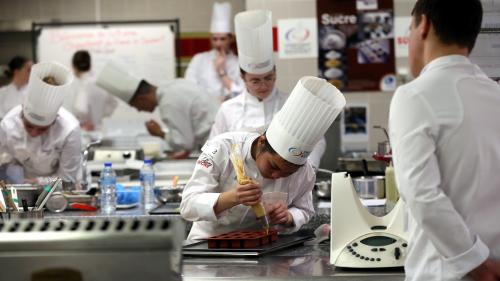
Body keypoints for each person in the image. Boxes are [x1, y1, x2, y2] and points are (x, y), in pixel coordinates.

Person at [388, 0, 500, 280]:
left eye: (409, 29)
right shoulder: (494, 94)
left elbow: (421, 193)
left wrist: (478, 265)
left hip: (448, 271)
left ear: (423, 25)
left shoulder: (413, 96)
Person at [181, 76, 345, 240]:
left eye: (287, 174)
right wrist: (232, 197)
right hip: (208, 247)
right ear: (261, 142)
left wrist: (289, 217)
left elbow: (305, 209)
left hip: (264, 247)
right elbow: (188, 205)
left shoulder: (304, 170)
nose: (276, 176)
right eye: (273, 166)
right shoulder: (223, 148)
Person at [209, 10, 327, 170]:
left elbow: (317, 140)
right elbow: (214, 147)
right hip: (241, 184)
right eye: (255, 81)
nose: (263, 86)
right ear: (243, 78)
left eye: (268, 78)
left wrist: (309, 166)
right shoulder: (228, 109)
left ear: (275, 74)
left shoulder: (292, 103)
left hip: (288, 183)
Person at [96, 62, 218, 159]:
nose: (138, 110)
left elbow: (185, 143)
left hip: (218, 148)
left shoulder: (168, 102)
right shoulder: (172, 87)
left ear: (141, 99)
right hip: (217, 145)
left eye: (135, 106)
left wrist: (160, 133)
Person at [0, 62, 82, 185]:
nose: (34, 133)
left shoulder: (69, 129)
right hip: (23, 188)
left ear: (55, 121)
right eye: (28, 126)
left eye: (42, 129)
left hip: (59, 191)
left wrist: (39, 182)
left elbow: (67, 179)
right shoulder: (8, 125)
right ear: (22, 115)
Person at [184, 2, 243, 102]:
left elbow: (241, 93)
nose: (218, 44)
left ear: (231, 39)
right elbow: (189, 87)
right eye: (215, 39)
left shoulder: (238, 63)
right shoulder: (199, 59)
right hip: (203, 110)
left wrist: (222, 72)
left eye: (222, 39)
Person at [65, 50, 117, 131]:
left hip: (81, 131)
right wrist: (98, 116)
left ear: (74, 66)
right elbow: (114, 103)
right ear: (90, 65)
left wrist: (82, 122)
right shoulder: (101, 82)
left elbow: (80, 110)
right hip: (99, 130)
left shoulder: (75, 85)